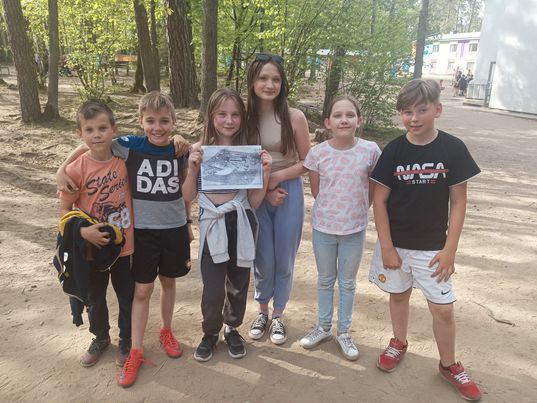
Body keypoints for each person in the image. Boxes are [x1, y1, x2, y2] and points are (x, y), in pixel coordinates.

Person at [56, 92, 192, 388]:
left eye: (164, 121)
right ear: (141, 121)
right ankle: (132, 349)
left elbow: (186, 187)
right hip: (140, 234)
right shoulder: (130, 146)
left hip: (170, 230)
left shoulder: (180, 150)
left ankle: (164, 331)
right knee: (138, 290)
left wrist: (188, 222)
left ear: (174, 121)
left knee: (167, 282)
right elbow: (91, 143)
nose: (157, 127)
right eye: (150, 121)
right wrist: (61, 168)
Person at [369, 79, 482, 401]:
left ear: (438, 109)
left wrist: (450, 250)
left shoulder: (452, 148)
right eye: (407, 112)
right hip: (396, 245)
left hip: (433, 248)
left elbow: (458, 201)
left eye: (422, 110)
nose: (414, 118)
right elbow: (379, 200)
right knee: (399, 296)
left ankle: (448, 365)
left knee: (443, 310)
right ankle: (398, 342)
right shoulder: (394, 150)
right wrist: (387, 247)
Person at [182, 88, 272, 361]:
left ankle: (232, 328)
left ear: (242, 118)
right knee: (212, 287)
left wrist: (265, 173)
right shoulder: (199, 150)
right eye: (222, 114)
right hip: (213, 223)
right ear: (211, 116)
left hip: (241, 221)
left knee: (238, 282)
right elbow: (187, 196)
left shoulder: (248, 152)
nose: (229, 120)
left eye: (235, 115)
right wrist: (192, 170)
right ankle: (210, 332)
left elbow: (254, 201)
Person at [299, 95, 380, 360]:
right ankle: (323, 327)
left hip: (354, 230)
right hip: (323, 229)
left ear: (359, 121)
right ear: (328, 122)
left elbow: (372, 188)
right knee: (325, 280)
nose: (344, 120)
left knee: (347, 283)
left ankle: (343, 332)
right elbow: (316, 190)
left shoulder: (370, 151)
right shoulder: (318, 153)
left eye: (349, 115)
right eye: (337, 115)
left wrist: (358, 210)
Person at [58, 100, 135, 369]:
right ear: (80, 133)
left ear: (114, 129)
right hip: (92, 250)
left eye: (102, 128)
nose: (97, 135)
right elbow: (64, 211)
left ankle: (127, 340)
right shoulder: (75, 170)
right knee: (95, 298)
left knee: (127, 297)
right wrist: (83, 232)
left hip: (123, 247)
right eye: (89, 130)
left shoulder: (126, 160)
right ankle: (100, 337)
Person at [245, 53, 310, 345]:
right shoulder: (243, 117)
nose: (269, 84)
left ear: (283, 84)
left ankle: (279, 314)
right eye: (263, 78)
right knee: (263, 258)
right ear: (252, 81)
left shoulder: (294, 117)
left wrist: (277, 178)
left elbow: (308, 161)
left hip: (288, 192)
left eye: (275, 79)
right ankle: (262, 311)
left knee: (284, 258)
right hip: (255, 193)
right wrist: (264, 188)